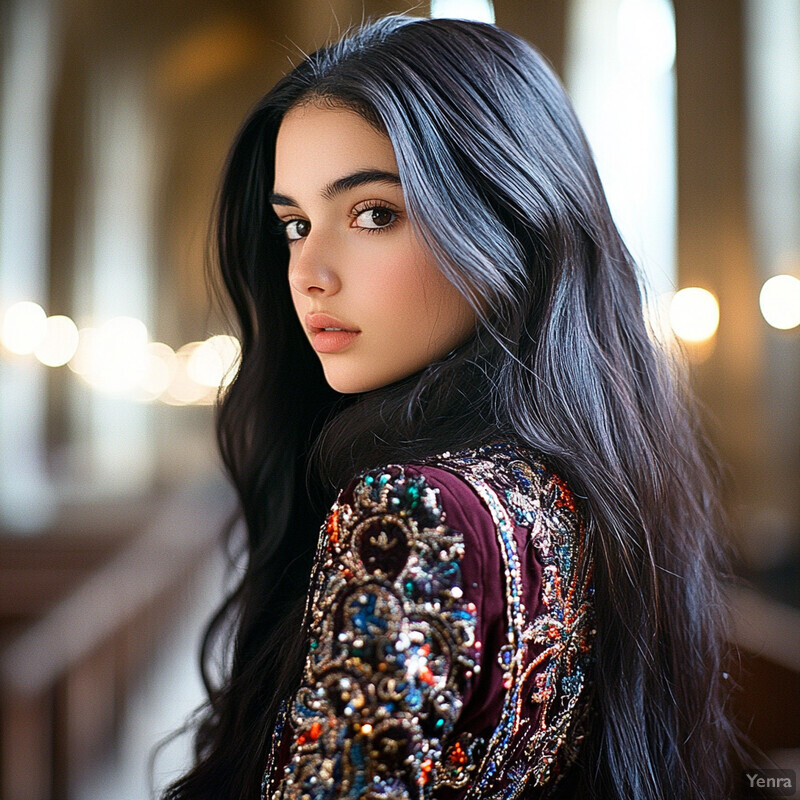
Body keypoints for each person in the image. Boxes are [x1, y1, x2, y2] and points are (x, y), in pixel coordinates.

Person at [161, 14, 747, 800]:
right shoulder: (578, 487)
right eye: (296, 225)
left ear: (511, 219)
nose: (309, 272)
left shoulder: (416, 511)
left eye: (374, 214)